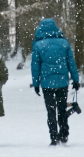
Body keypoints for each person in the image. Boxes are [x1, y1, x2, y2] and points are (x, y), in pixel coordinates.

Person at [31, 18, 80, 146]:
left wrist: (36, 84)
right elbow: (71, 63)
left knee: (51, 110)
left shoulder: (38, 45)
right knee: (62, 109)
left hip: (47, 84)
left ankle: (53, 136)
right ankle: (64, 134)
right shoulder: (64, 43)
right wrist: (75, 79)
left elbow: (35, 67)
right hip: (62, 82)